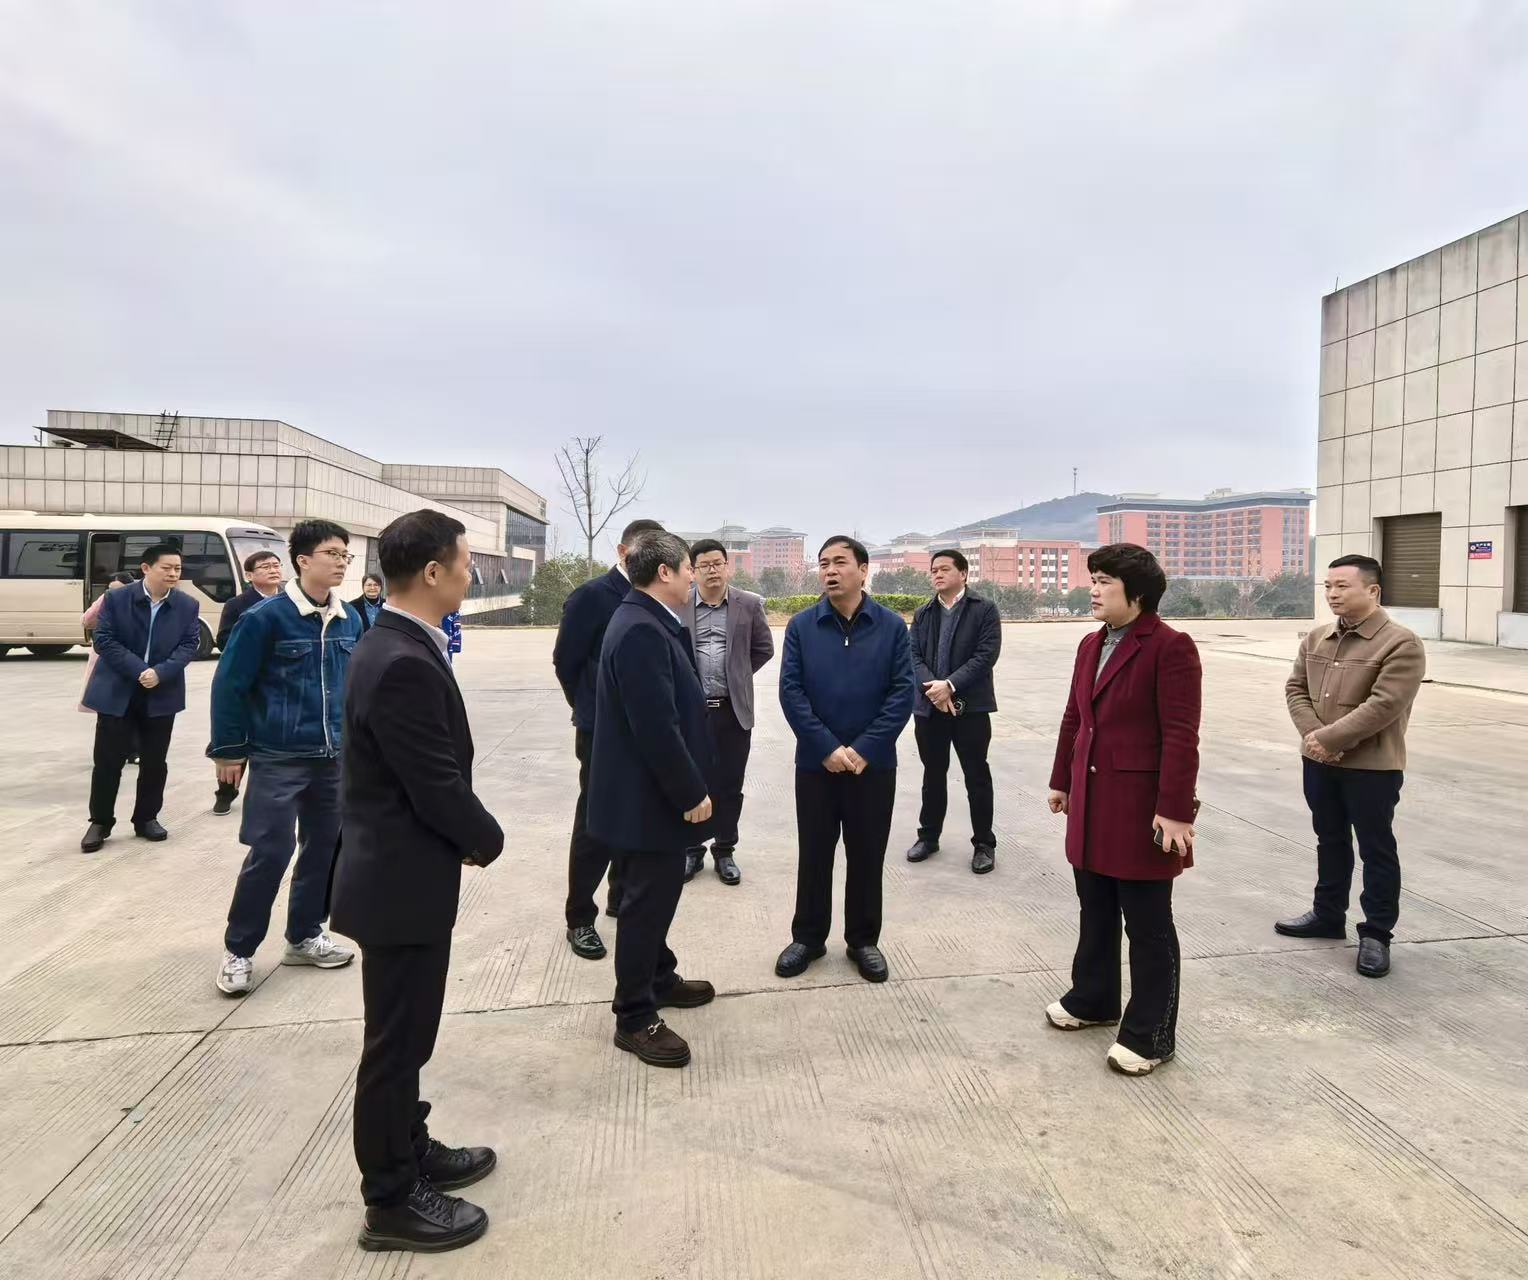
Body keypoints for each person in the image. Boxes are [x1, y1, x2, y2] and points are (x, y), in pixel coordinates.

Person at [330, 509, 504, 1253]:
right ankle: (392, 1199)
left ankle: (410, 1144)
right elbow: (434, 784)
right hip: (398, 885)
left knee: (408, 1037)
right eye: (464, 562)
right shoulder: (401, 658)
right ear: (432, 572)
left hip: (401, 875)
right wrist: (485, 838)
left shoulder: (395, 642)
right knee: (396, 1047)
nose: (471, 574)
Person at [1044, 544, 1201, 1078]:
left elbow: (1181, 735)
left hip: (1140, 809)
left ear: (1137, 594)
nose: (1092, 590)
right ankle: (1093, 998)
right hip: (1091, 804)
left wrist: (1175, 810)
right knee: (1095, 908)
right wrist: (1062, 780)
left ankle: (1150, 1034)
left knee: (1148, 923)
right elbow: (1075, 717)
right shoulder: (1091, 643)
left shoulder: (1170, 647)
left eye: (1104, 581)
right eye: (1093, 579)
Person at [208, 520, 363, 996]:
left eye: (345, 556)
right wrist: (228, 750)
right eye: (332, 553)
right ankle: (239, 949)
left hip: (333, 758)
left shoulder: (350, 619)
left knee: (323, 850)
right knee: (270, 852)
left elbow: (356, 689)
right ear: (303, 560)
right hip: (279, 756)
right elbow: (230, 684)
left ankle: (304, 936)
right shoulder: (266, 618)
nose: (341, 563)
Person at [587, 531, 716, 1068]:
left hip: (644, 796)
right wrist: (691, 791)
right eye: (688, 569)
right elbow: (655, 726)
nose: (693, 578)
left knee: (655, 899)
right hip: (649, 800)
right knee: (645, 906)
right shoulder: (640, 628)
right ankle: (635, 1016)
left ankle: (659, 977)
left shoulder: (645, 619)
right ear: (664, 572)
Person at [1277, 555, 1425, 979]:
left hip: (1372, 767)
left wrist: (1329, 740)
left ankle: (1376, 933)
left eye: (1342, 586)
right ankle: (1327, 914)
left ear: (1373, 590)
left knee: (1376, 847)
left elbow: (1384, 705)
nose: (1332, 594)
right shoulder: (1317, 638)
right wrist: (1314, 737)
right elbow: (1295, 688)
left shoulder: (1401, 643)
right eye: (1328, 586)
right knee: (1329, 839)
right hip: (1318, 761)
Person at [776, 536, 915, 984]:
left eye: (840, 562)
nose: (830, 571)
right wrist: (827, 748)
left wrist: (864, 749)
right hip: (816, 766)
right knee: (814, 853)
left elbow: (902, 693)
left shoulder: (891, 627)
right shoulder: (802, 626)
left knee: (867, 855)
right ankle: (808, 938)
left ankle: (863, 940)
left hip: (873, 767)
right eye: (823, 564)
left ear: (863, 570)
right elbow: (791, 692)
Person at [551, 517, 666, 960]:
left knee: (636, 815)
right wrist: (589, 708)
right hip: (600, 730)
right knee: (595, 823)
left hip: (644, 730)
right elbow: (566, 661)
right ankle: (580, 917)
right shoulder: (592, 596)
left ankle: (621, 894)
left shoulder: (655, 596)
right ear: (622, 552)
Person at [80, 544, 201, 853]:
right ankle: (100, 821)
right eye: (166, 568)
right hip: (117, 689)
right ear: (146, 568)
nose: (173, 573)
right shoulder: (117, 598)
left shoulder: (187, 604)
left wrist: (161, 672)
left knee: (154, 761)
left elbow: (189, 644)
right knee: (107, 761)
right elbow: (103, 639)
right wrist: (139, 670)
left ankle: (146, 818)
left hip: (161, 691)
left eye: (177, 568)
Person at [679, 538, 775, 885]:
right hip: (691, 712)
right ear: (693, 570)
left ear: (727, 566)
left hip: (732, 711)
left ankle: (724, 850)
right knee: (691, 781)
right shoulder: (679, 603)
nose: (712, 570)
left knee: (729, 784)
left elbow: (764, 648)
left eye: (717, 563)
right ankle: (692, 850)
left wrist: (738, 675)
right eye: (704, 565)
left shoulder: (749, 604)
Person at [904, 548, 1003, 874]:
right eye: (934, 570)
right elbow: (913, 656)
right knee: (932, 775)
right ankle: (928, 837)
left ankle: (984, 844)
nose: (937, 574)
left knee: (977, 775)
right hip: (930, 708)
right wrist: (934, 690)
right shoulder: (923, 613)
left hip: (970, 709)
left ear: (963, 573)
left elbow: (985, 655)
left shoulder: (983, 609)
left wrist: (950, 685)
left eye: (944, 569)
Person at [212, 549, 285, 815]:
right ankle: (225, 792)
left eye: (276, 565)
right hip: (247, 680)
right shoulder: (238, 604)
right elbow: (223, 640)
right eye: (265, 567)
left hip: (278, 682)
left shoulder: (290, 601)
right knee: (237, 738)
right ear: (249, 575)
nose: (273, 570)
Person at [78, 572, 137, 714]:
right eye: (110, 590)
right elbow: (87, 621)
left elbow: (87, 621)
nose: (114, 594)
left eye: (118, 590)